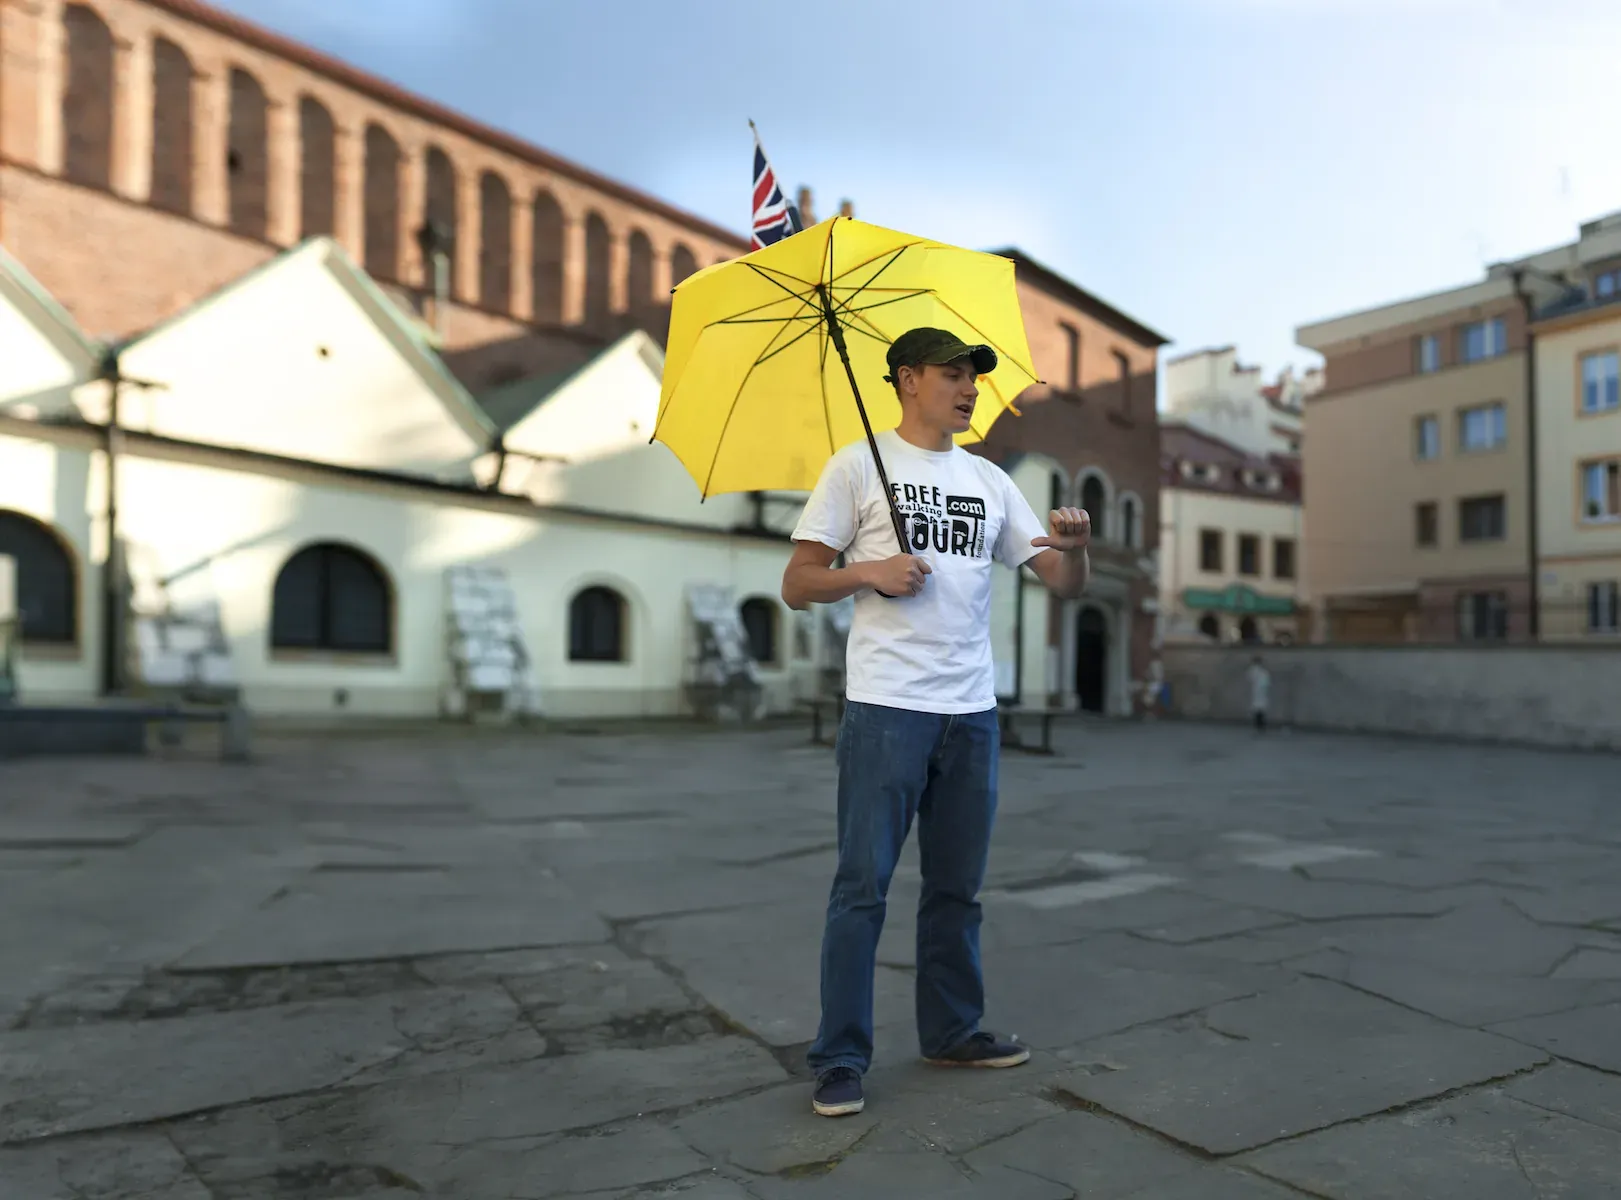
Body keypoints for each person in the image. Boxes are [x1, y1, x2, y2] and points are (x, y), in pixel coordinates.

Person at [781, 327, 1092, 1118]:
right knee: (861, 887)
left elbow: (1059, 581)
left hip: (970, 714)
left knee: (956, 889)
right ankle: (840, 1057)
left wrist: (1074, 547)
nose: (968, 389)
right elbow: (797, 581)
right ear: (906, 379)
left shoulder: (988, 478)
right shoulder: (856, 465)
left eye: (974, 378)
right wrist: (869, 572)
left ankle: (952, 1030)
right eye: (952, 375)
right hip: (887, 710)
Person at [1246, 654, 1271, 732]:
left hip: (1259, 692)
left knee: (1258, 707)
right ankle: (1260, 725)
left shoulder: (1257, 671)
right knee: (1259, 707)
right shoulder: (1260, 671)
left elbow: (1249, 677)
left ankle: (1259, 725)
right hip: (1259, 692)